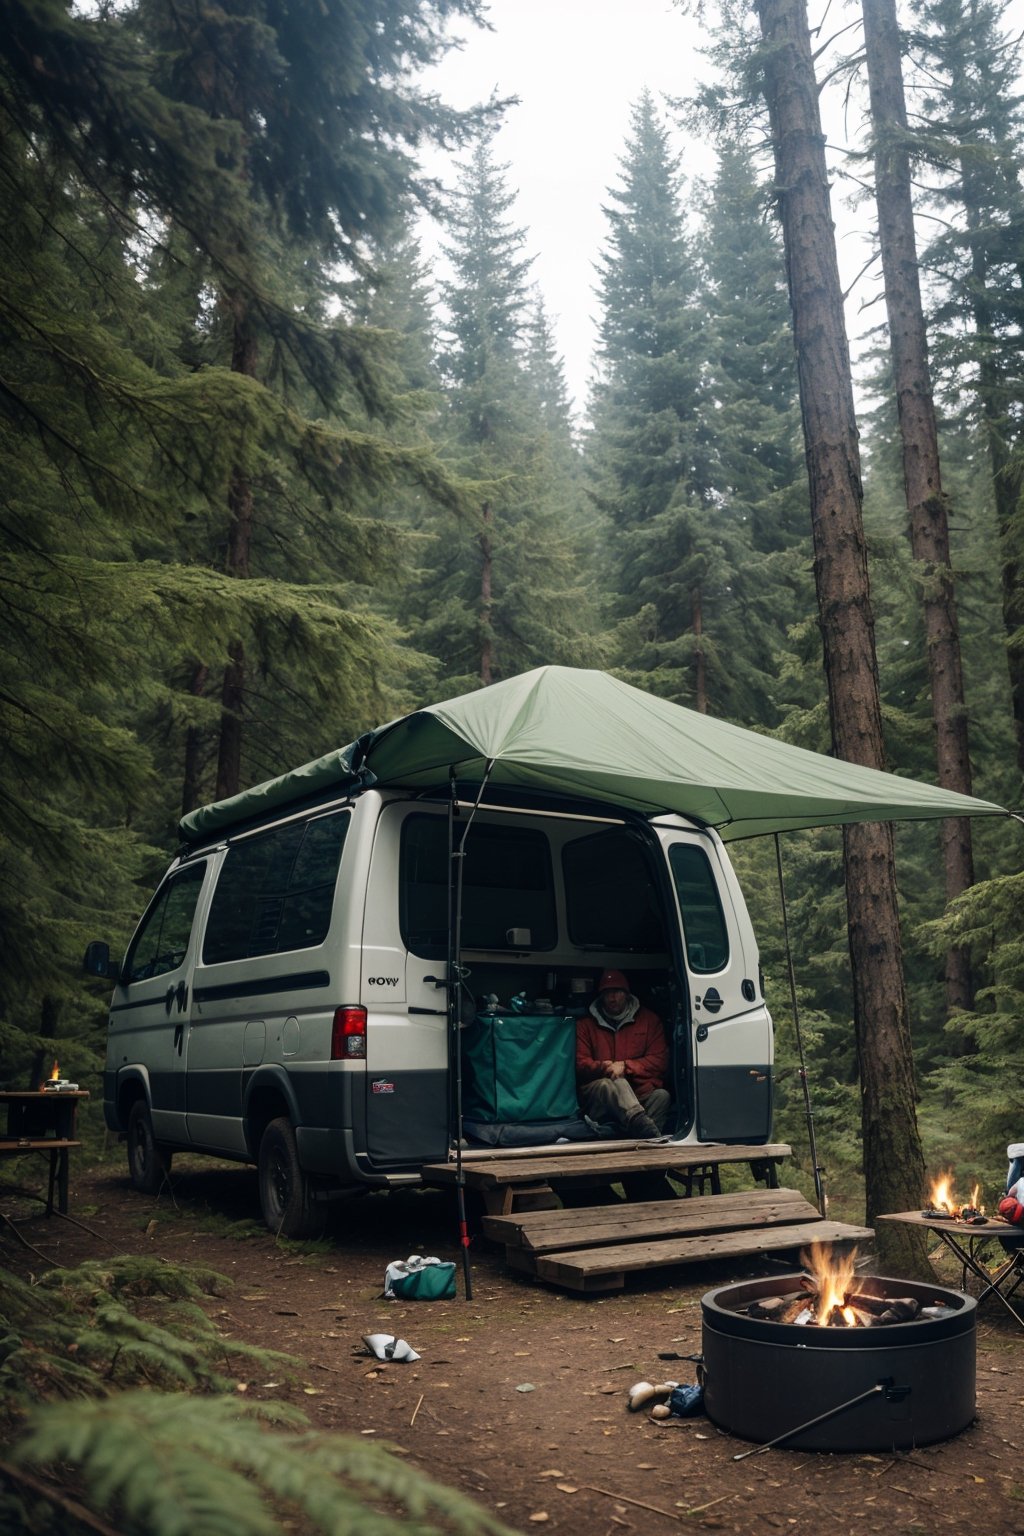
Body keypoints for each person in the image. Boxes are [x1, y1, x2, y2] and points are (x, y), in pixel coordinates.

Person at [576, 969, 671, 1140]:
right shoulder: (585, 1025)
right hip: (600, 1095)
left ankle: (647, 1143)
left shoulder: (650, 1020)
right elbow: (580, 1064)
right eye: (607, 993)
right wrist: (604, 1066)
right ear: (601, 996)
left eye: (617, 992)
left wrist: (626, 1066)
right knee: (610, 1084)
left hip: (637, 1091)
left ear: (627, 994)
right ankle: (640, 1124)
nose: (612, 998)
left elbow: (660, 1060)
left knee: (661, 1096)